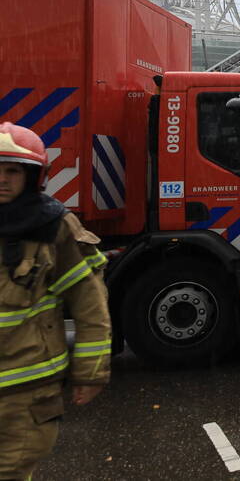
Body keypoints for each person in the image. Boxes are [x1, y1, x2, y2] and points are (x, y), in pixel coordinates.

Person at [0, 123, 111, 480]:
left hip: (26, 393)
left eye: (12, 171)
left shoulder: (53, 228)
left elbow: (90, 305)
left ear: (33, 176)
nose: (2, 179)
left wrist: (90, 374)